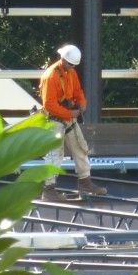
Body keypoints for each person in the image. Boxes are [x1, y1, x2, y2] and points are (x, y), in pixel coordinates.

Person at [39, 44, 107, 199]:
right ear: (62, 58)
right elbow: (49, 105)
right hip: (54, 119)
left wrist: (82, 104)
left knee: (80, 147)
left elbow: (77, 92)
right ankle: (49, 189)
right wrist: (69, 113)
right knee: (55, 153)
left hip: (67, 118)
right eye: (70, 64)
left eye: (74, 65)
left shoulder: (71, 73)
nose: (71, 67)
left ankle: (85, 182)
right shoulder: (51, 76)